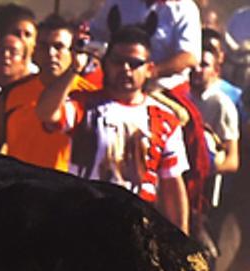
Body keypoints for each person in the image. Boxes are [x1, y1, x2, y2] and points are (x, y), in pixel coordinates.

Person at [37, 20, 190, 232]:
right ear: (106, 63)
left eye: (135, 63)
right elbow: (46, 113)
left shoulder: (165, 120)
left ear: (149, 69)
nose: (126, 69)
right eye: (118, 61)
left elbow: (172, 185)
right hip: (83, 220)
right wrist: (74, 69)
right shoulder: (83, 105)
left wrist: (181, 239)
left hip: (136, 228)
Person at [0, 15, 98, 170]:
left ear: (73, 51)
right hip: (22, 188)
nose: (50, 53)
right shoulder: (12, 94)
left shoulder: (90, 97)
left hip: (68, 190)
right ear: (35, 50)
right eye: (43, 46)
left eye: (58, 47)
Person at [190, 40, 240, 175]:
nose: (197, 69)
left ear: (216, 71)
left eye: (204, 65)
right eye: (194, 65)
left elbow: (232, 161)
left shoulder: (221, 104)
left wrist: (206, 170)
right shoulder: (183, 99)